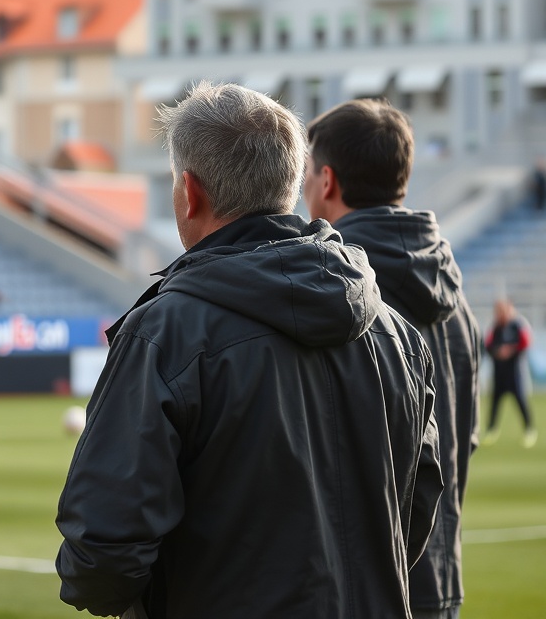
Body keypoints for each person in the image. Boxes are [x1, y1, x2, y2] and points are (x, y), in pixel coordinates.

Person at [56, 82, 442, 619]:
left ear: (190, 192)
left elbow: (100, 557)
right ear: (288, 186)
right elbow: (415, 511)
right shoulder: (398, 335)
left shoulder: (167, 333)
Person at [304, 98, 481, 619]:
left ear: (328, 181)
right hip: (439, 580)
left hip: (362, 585)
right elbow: (460, 441)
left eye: (307, 173)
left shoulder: (334, 295)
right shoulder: (458, 299)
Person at [484, 298, 537, 447]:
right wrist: (497, 352)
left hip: (515, 373)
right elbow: (487, 345)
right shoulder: (495, 327)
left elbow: (526, 342)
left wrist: (510, 350)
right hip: (499, 373)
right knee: (495, 403)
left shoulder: (518, 325)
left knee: (521, 401)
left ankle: (529, 430)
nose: (500, 313)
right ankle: (491, 430)